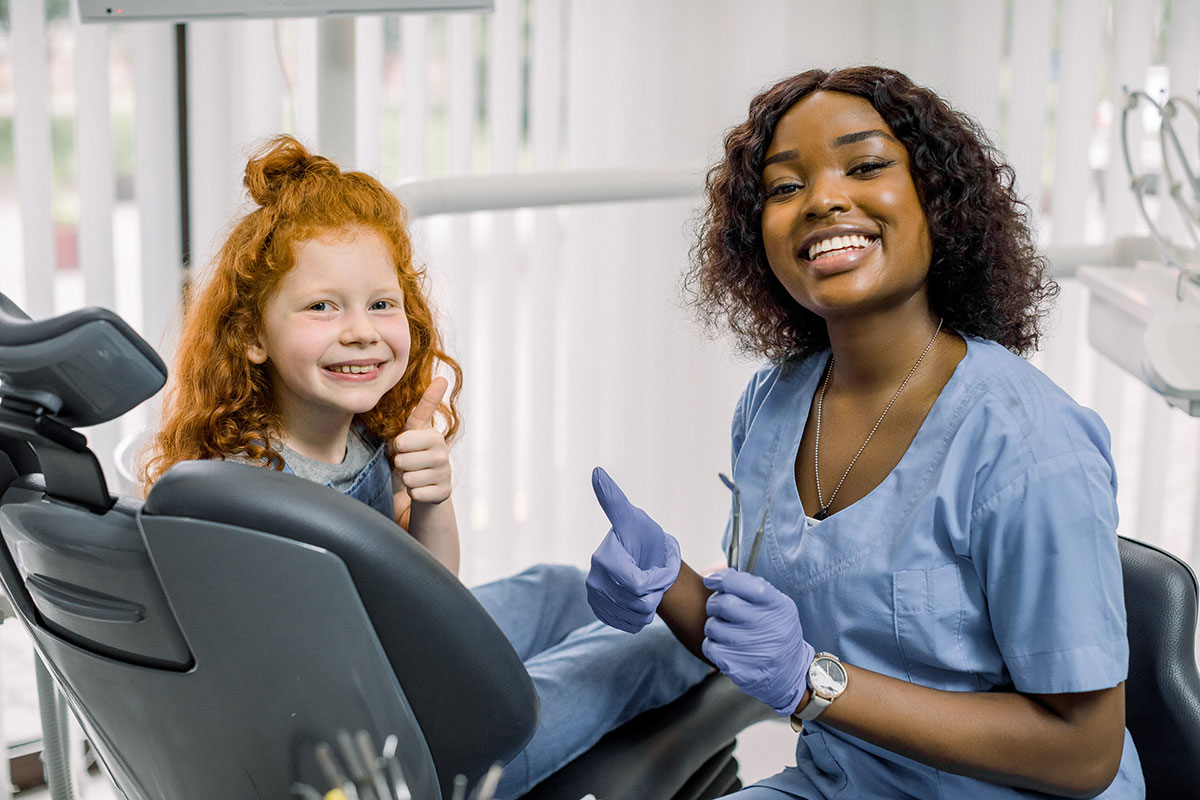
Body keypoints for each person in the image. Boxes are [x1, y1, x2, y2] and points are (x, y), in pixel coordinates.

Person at [584, 67, 1144, 798]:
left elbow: (1085, 753)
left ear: (937, 200)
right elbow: (769, 655)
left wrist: (816, 684)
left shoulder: (1027, 441)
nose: (822, 199)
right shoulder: (773, 404)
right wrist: (669, 586)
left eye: (867, 165)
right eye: (786, 187)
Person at [138, 134, 710, 799]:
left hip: (402, 674)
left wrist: (430, 500)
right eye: (322, 306)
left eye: (381, 304)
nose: (360, 329)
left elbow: (432, 594)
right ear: (251, 338)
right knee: (661, 644)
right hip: (394, 764)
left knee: (560, 588)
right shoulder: (246, 493)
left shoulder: (361, 444)